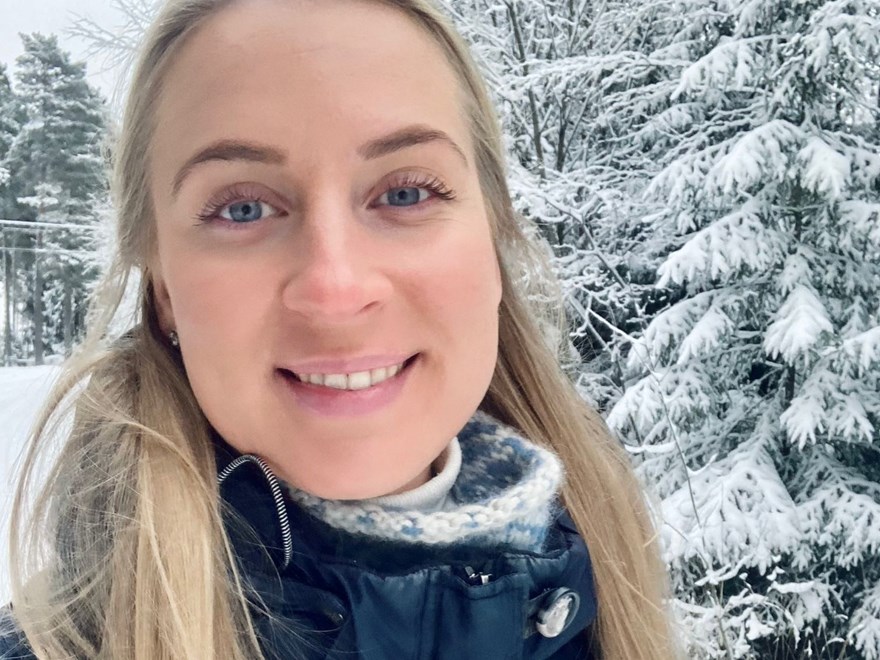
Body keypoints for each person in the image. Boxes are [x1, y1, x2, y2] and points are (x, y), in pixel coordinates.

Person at [0, 0, 680, 658]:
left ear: (494, 243)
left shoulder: (607, 609)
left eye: (405, 193)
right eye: (241, 208)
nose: (335, 287)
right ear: (165, 289)